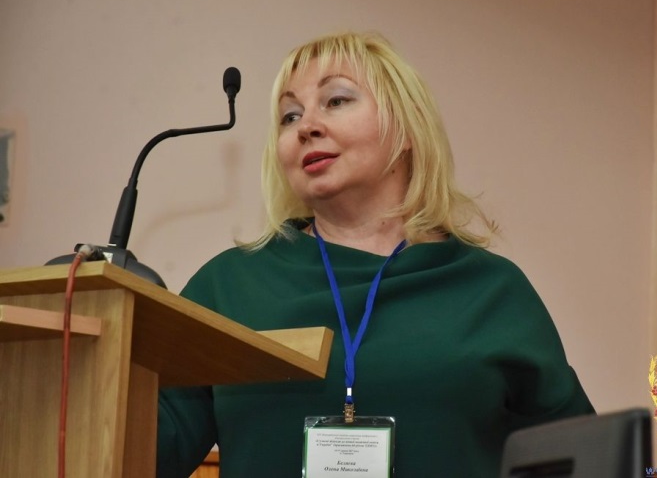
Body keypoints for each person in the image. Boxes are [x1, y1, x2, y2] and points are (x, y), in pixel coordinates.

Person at [157, 31, 594, 477]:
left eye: (336, 100)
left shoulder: (493, 291)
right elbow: (143, 450)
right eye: (290, 116)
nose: (306, 126)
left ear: (405, 130)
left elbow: (579, 461)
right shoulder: (228, 287)